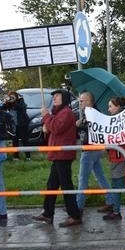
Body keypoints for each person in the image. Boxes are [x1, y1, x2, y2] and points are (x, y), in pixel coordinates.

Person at [32, 89, 82, 227]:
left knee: (66, 186)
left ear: (64, 98)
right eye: (53, 96)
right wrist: (46, 125)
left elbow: (57, 128)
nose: (54, 98)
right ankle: (48, 213)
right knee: (52, 184)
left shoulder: (66, 112)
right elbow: (53, 130)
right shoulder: (59, 112)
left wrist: (46, 116)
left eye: (57, 96)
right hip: (58, 153)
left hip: (63, 154)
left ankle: (74, 215)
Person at [74, 92, 114, 214]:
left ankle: (78, 206)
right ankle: (110, 201)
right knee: (100, 176)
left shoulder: (92, 113)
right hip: (94, 149)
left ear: (88, 101)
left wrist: (80, 126)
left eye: (82, 101)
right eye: (80, 101)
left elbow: (93, 129)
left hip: (89, 149)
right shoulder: (90, 113)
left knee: (83, 179)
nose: (80, 103)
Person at [3, 91, 31, 160]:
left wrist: (13, 101)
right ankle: (16, 157)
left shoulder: (21, 101)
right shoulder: (9, 103)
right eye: (10, 96)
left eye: (13, 96)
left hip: (22, 124)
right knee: (15, 141)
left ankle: (28, 156)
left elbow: (20, 107)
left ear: (16, 96)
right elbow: (3, 108)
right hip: (14, 125)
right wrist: (6, 101)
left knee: (25, 141)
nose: (11, 98)